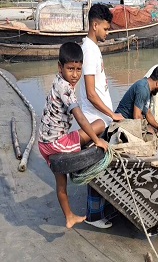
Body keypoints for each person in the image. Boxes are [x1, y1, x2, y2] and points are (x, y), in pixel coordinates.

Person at [37, 42, 108, 229]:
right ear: (60, 67)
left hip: (43, 143)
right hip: (56, 144)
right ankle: (87, 155)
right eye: (70, 69)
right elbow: (80, 117)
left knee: (61, 185)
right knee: (100, 124)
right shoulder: (66, 88)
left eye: (78, 69)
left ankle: (69, 217)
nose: (75, 74)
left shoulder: (57, 81)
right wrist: (96, 140)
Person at [80, 3, 124, 229]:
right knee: (95, 169)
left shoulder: (93, 48)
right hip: (94, 120)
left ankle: (100, 210)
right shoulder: (88, 51)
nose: (107, 33)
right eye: (106, 29)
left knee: (100, 167)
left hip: (101, 118)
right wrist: (112, 114)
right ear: (95, 25)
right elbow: (89, 93)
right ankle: (94, 216)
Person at [115, 66, 158, 139]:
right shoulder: (143, 89)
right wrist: (147, 129)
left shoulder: (148, 88)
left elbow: (147, 113)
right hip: (123, 122)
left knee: (153, 133)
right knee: (151, 137)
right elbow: (137, 116)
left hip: (131, 121)